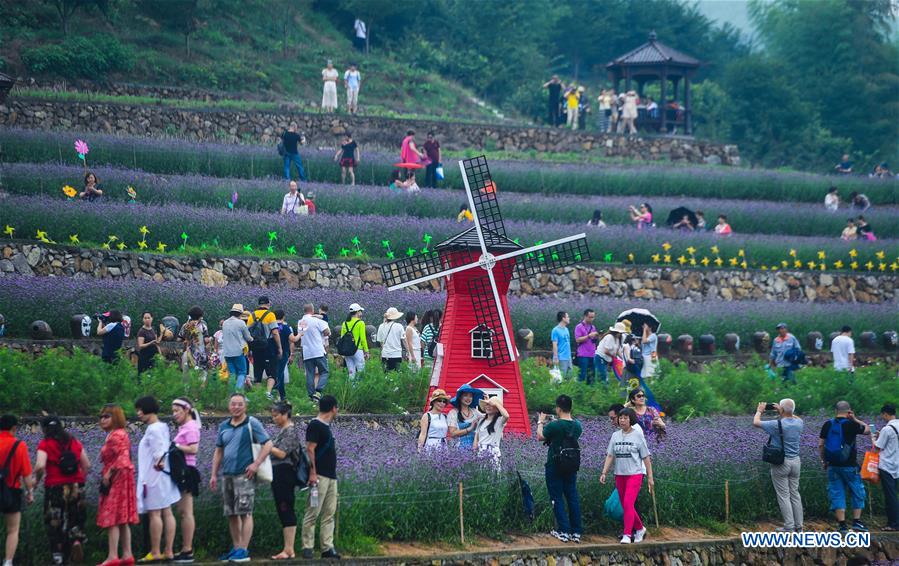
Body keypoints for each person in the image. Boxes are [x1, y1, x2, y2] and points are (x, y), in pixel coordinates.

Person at [210, 393, 272, 563]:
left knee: (245, 512)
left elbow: (268, 443)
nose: (236, 407)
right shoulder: (224, 426)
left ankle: (244, 549)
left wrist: (256, 463)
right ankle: (236, 547)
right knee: (231, 513)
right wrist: (214, 474)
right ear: (229, 406)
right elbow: (218, 451)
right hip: (227, 474)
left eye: (239, 404)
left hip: (245, 475)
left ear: (245, 406)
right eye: (233, 404)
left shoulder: (251, 423)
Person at [33, 416, 89, 565]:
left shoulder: (45, 444)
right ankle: (76, 540)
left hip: (55, 487)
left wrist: (36, 481)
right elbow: (87, 465)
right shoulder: (74, 442)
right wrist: (80, 480)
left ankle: (58, 556)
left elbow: (40, 466)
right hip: (77, 485)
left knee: (55, 521)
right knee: (75, 517)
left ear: (44, 429)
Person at [133, 397, 180, 563]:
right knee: (167, 512)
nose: (138, 413)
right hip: (163, 476)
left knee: (155, 514)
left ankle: (155, 551)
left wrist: (155, 468)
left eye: (140, 410)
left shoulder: (153, 429)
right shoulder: (162, 427)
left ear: (148, 409)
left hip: (154, 477)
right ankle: (168, 551)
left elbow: (159, 453)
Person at [600, 407, 653, 544]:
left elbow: (646, 457)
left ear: (631, 420)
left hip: (634, 475)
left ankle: (627, 534)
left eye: (625, 418)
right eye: (620, 418)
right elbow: (610, 455)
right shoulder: (615, 436)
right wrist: (604, 472)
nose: (622, 420)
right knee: (625, 505)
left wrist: (650, 478)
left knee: (629, 503)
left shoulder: (638, 435)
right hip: (620, 475)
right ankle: (640, 528)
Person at [819, 400, 870, 535]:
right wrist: (855, 419)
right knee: (857, 491)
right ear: (849, 411)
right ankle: (856, 521)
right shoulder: (851, 424)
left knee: (836, 492)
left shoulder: (827, 424)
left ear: (836, 410)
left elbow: (821, 445)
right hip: (850, 466)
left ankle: (842, 525)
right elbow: (867, 429)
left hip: (833, 466)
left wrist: (824, 461)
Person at [96, 405, 138, 566]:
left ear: (116, 417)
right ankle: (127, 555)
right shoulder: (120, 434)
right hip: (122, 478)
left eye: (107, 416)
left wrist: (109, 473)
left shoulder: (115, 436)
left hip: (117, 479)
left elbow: (123, 458)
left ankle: (113, 556)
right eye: (101, 416)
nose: (103, 419)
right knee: (122, 518)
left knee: (112, 517)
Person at [537, 395, 582, 544]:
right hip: (571, 465)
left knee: (556, 497)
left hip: (554, 465)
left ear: (558, 408)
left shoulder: (555, 425)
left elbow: (540, 436)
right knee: (572, 497)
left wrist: (540, 421)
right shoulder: (578, 425)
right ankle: (576, 532)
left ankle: (563, 531)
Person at [753, 399, 804, 532]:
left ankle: (789, 526)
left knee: (784, 495)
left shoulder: (777, 424)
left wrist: (759, 411)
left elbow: (756, 422)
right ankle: (799, 526)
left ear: (781, 409)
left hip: (782, 463)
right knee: (795, 494)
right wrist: (784, 411)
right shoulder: (799, 423)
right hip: (796, 462)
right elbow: (794, 415)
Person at [301, 395, 341, 560]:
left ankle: (327, 547)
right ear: (333, 408)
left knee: (329, 512)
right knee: (313, 511)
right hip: (319, 477)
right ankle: (307, 547)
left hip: (331, 476)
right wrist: (312, 473)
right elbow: (310, 449)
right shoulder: (315, 425)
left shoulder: (326, 426)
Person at [269, 402, 302, 561]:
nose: (274, 418)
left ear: (285, 414)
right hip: (278, 474)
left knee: (286, 507)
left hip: (285, 474)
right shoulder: (283, 431)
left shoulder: (290, 431)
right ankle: (287, 548)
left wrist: (266, 446)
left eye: (276, 415)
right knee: (282, 508)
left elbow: (282, 453)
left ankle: (289, 549)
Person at [171, 398, 201, 564]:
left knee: (186, 512)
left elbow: (194, 449)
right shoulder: (185, 426)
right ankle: (185, 548)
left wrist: (175, 446)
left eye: (177, 411)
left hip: (187, 471)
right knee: (182, 511)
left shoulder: (190, 427)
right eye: (173, 411)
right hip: (182, 470)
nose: (174, 414)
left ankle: (187, 549)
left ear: (187, 410)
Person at [0, 415, 34, 566]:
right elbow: (26, 474)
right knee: (13, 530)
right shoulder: (19, 446)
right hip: (11, 491)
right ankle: (8, 562)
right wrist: (30, 492)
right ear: (14, 428)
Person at [291, 303, 331, 403]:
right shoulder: (316, 320)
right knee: (324, 372)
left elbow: (301, 335)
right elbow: (327, 332)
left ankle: (311, 395)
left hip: (307, 352)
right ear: (312, 310)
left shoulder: (300, 322)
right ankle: (318, 392)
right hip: (318, 350)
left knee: (310, 374)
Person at [247, 296, 282, 395]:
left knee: (257, 370)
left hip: (255, 346)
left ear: (258, 304)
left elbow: (248, 332)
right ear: (268, 304)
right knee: (272, 372)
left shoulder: (251, 315)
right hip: (268, 345)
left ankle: (258, 395)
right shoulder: (270, 315)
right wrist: (279, 348)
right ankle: (268, 392)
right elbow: (275, 332)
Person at [875, 403, 899, 531]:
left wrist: (874, 438)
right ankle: (894, 522)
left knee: (890, 496)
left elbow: (878, 446)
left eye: (882, 415)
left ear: (885, 414)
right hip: (897, 465)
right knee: (894, 494)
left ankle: (893, 524)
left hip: (887, 465)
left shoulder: (887, 429)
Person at [222, 304, 253, 391]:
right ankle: (238, 392)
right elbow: (248, 337)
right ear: (240, 313)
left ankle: (231, 393)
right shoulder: (241, 323)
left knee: (232, 373)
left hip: (227, 353)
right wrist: (253, 339)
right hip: (238, 352)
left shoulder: (225, 323)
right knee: (242, 373)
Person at [473, 397, 510, 466]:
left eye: (491, 406)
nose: (488, 407)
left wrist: (496, 404)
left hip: (493, 451)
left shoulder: (500, 420)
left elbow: (506, 416)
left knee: (493, 474)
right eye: (487, 405)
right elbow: (477, 436)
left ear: (497, 409)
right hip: (481, 451)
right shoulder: (481, 420)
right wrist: (475, 449)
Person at [177, 306, 210, 382]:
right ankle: (199, 392)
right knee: (202, 376)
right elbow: (206, 340)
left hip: (188, 353)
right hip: (201, 354)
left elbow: (179, 339)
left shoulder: (185, 326)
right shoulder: (203, 326)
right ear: (200, 316)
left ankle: (187, 392)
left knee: (186, 376)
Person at [448, 385, 484, 450]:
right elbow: (453, 433)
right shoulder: (453, 413)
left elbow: (488, 418)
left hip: (475, 448)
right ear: (460, 397)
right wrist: (469, 429)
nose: (468, 398)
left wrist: (487, 402)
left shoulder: (474, 411)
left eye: (470, 396)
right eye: (465, 395)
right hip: (458, 449)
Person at [340, 303, 369, 379]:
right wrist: (366, 351)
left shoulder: (344, 323)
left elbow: (342, 337)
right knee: (361, 371)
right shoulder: (360, 323)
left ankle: (351, 389)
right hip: (357, 350)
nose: (361, 313)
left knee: (351, 372)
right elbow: (363, 338)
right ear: (357, 312)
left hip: (347, 351)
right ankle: (361, 388)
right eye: (360, 311)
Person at [271, 310, 294, 401]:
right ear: (283, 317)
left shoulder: (271, 326)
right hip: (283, 352)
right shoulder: (286, 327)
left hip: (272, 352)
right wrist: (300, 335)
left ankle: (282, 394)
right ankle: (275, 392)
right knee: (279, 374)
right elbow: (292, 339)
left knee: (278, 373)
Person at [574, 309, 598, 384]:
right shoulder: (579, 327)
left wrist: (597, 336)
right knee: (582, 375)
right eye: (590, 317)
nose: (592, 319)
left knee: (591, 376)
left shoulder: (593, 327)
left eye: (593, 317)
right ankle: (579, 392)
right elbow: (577, 340)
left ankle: (590, 393)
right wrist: (588, 336)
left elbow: (593, 340)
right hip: (583, 354)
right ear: (585, 316)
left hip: (592, 354)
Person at [377, 307, 405, 371]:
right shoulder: (399, 326)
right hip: (396, 354)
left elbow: (381, 343)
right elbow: (403, 341)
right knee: (396, 374)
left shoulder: (381, 326)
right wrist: (408, 351)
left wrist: (381, 353)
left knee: (386, 374)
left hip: (385, 354)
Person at [551, 311, 572, 378]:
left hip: (568, 357)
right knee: (561, 377)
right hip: (561, 357)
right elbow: (554, 344)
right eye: (568, 317)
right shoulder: (555, 330)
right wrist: (555, 357)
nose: (569, 318)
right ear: (563, 318)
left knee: (569, 377)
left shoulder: (566, 329)